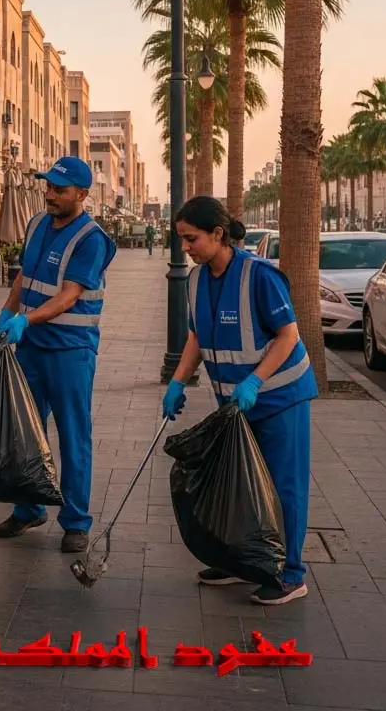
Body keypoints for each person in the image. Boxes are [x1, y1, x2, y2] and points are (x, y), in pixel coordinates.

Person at [161, 196, 317, 606]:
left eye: (191, 239)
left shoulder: (259, 276)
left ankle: (289, 574)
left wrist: (254, 381)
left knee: (284, 487)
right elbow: (197, 336)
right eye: (181, 240)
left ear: (217, 234)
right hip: (234, 406)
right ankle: (241, 562)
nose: (186, 248)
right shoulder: (196, 281)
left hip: (281, 397)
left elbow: (288, 336)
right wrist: (177, 382)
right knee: (239, 484)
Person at [0, 156, 117, 554]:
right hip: (31, 346)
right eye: (48, 186)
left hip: (70, 351)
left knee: (73, 435)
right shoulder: (35, 224)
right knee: (25, 432)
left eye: (59, 190)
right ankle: (29, 508)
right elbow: (24, 276)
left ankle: (76, 521)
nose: (50, 194)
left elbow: (69, 296)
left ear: (82, 194)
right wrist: (7, 311)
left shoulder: (91, 239)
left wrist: (25, 319)